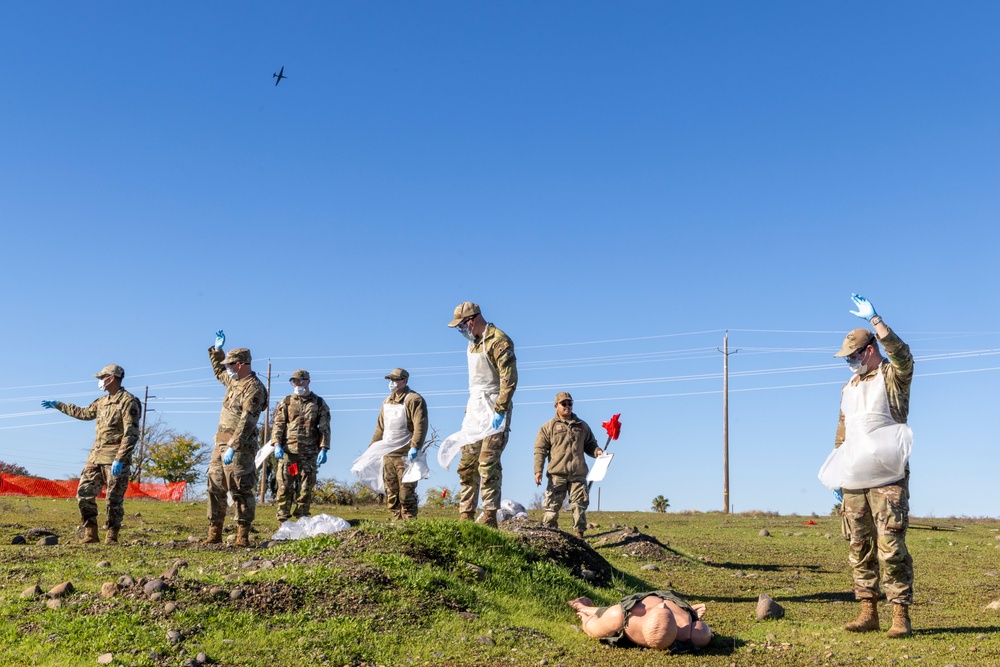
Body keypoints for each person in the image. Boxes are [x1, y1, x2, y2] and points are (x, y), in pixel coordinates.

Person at [820, 294, 915, 638]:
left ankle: (899, 616)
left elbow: (904, 356)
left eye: (853, 356)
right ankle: (868, 612)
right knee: (859, 545)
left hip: (888, 477)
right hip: (855, 478)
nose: (850, 363)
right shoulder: (848, 388)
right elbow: (842, 433)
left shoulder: (892, 377)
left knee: (890, 546)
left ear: (869, 350)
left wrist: (876, 321)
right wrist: (837, 472)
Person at [41, 364, 142, 545]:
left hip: (115, 459)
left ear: (111, 378)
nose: (100, 381)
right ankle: (90, 533)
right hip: (95, 457)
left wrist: (120, 459)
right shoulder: (102, 402)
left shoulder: (128, 401)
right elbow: (84, 413)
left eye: (102, 378)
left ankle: (111, 536)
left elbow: (131, 433)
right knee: (84, 493)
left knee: (114, 500)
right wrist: (59, 405)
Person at [438, 302, 518, 528]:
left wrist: (500, 410)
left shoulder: (498, 341)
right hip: (474, 409)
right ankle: (466, 515)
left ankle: (490, 516)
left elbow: (509, 380)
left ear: (471, 320)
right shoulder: (473, 344)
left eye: (461, 326)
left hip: (494, 407)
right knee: (466, 464)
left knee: (488, 463)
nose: (460, 331)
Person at [205, 330, 268, 547]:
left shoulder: (255, 388)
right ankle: (214, 533)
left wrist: (234, 445)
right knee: (214, 485)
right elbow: (217, 371)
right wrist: (217, 351)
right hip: (220, 444)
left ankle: (243, 536)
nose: (227, 369)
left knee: (240, 489)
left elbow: (247, 421)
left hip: (239, 447)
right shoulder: (233, 382)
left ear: (240, 364)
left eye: (230, 365)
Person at [533, 391, 603, 538]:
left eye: (569, 403)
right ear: (555, 406)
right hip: (556, 475)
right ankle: (550, 535)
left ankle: (580, 535)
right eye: (563, 404)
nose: (567, 406)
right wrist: (538, 470)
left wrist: (597, 451)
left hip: (578, 474)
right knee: (552, 507)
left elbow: (590, 444)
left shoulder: (582, 426)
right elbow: (540, 450)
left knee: (579, 506)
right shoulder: (548, 427)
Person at [366, 368, 429, 520]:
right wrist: (372, 448)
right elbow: (380, 428)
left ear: (405, 380)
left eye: (396, 380)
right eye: (390, 380)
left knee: (406, 491)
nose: (392, 383)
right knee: (391, 492)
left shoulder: (414, 399)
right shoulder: (386, 402)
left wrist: (415, 446)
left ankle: (409, 521)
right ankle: (396, 519)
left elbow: (420, 425)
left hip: (405, 454)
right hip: (388, 454)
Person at [271, 369, 331, 525]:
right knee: (285, 486)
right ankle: (283, 522)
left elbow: (324, 427)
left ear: (308, 381)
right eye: (294, 381)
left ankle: (302, 520)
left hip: (309, 453)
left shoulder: (318, 403)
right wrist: (276, 444)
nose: (297, 384)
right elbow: (278, 425)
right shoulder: (286, 402)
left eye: (300, 381)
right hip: (289, 453)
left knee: (305, 488)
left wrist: (324, 448)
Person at [568, 590, 712, 652]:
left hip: (634, 607)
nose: (662, 604)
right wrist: (690, 613)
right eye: (665, 608)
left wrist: (584, 616)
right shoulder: (687, 630)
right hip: (672, 604)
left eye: (660, 608)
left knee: (609, 614)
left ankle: (581, 606)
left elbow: (592, 629)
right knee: (701, 634)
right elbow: (704, 632)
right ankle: (585, 607)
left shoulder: (622, 616)